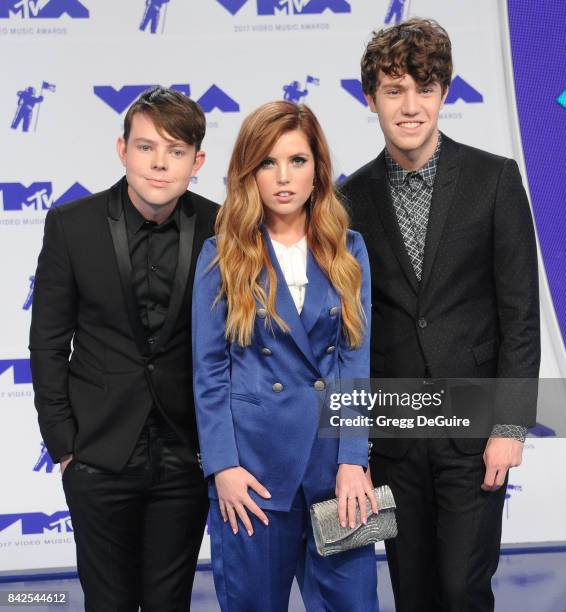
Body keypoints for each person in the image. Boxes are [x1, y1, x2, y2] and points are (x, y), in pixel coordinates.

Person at [339, 19, 540, 612]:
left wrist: (509, 426)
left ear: (444, 93)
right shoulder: (350, 199)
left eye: (424, 89)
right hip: (394, 439)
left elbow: (520, 314)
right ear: (371, 96)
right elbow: (352, 330)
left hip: (475, 435)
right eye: (395, 90)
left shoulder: (495, 179)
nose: (410, 106)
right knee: (413, 592)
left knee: (462, 589)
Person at [29, 87, 218, 611]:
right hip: (98, 454)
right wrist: (66, 447)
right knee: (107, 602)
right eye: (146, 147)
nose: (159, 164)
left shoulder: (222, 226)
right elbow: (46, 343)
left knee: (168, 601)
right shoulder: (72, 225)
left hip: (185, 452)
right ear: (122, 150)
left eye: (176, 151)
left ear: (196, 161)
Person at [192, 100, 379, 612]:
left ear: (318, 169)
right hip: (251, 474)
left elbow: (353, 365)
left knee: (355, 605)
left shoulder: (349, 248)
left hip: (334, 471)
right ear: (248, 173)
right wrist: (222, 466)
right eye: (268, 163)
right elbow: (210, 372)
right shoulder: (221, 253)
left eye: (297, 160)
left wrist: (352, 460)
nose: (283, 177)